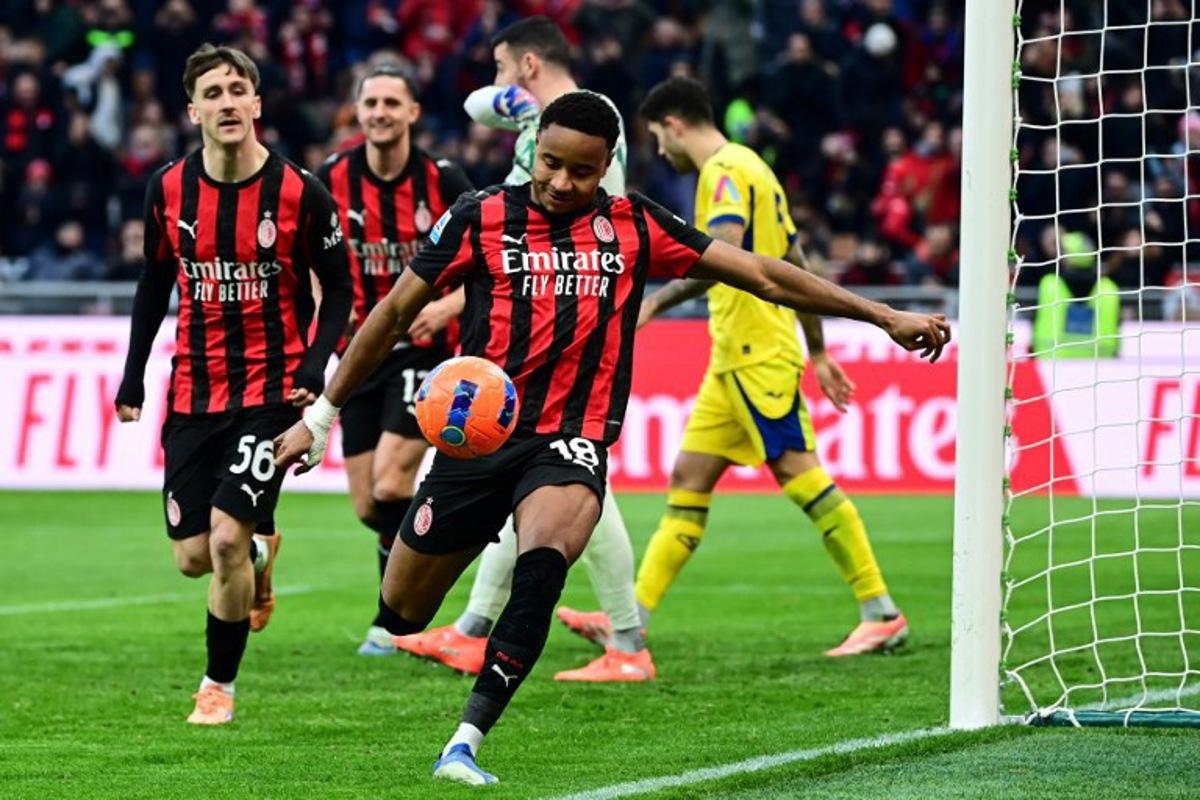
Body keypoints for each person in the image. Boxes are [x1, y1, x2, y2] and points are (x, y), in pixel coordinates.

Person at [273, 90, 949, 785]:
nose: (563, 183)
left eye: (584, 172)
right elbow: (389, 314)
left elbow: (764, 274)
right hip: (478, 441)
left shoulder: (635, 226)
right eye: (552, 164)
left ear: (608, 169)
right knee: (401, 610)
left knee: (543, 562)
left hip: (571, 438)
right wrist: (320, 417)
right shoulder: (480, 216)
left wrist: (880, 314)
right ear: (532, 150)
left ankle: (466, 740)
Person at [576, 75, 910, 657]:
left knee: (798, 474)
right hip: (736, 354)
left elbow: (719, 254)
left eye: (658, 137)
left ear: (675, 124)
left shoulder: (724, 172)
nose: (659, 151)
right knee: (688, 479)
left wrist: (652, 300)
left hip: (756, 352)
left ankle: (880, 611)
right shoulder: (755, 166)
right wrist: (822, 350)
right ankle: (630, 616)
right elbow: (794, 258)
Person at [395, 15, 654, 683]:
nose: (497, 81)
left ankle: (626, 643)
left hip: (571, 325)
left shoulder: (580, 133)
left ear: (531, 64)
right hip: (537, 319)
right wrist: (517, 99)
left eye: (504, 66)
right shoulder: (557, 121)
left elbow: (587, 236)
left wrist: (454, 301)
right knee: (537, 479)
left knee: (574, 487)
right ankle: (480, 627)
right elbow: (476, 105)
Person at [114, 43, 352, 725]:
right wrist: (133, 374)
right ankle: (260, 553)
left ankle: (217, 686)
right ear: (192, 110)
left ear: (256, 104)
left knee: (221, 541)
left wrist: (314, 368)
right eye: (211, 92)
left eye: (236, 90)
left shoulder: (300, 192)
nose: (225, 102)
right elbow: (154, 281)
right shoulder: (166, 189)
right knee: (194, 559)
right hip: (193, 392)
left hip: (272, 393)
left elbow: (338, 288)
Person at [316, 63, 474, 656]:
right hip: (359, 354)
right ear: (357, 112)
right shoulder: (331, 179)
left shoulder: (443, 179)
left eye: (391, 102)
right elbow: (313, 263)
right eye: (370, 102)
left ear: (413, 113)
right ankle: (458, 531)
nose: (379, 112)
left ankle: (392, 621)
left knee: (389, 482)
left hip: (424, 353)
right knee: (367, 505)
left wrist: (449, 305)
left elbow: (485, 260)